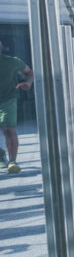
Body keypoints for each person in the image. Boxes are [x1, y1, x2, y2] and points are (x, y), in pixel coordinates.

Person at [0, 39, 33, 173]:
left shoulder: (13, 61)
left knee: (9, 129)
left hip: (8, 99)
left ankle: (12, 161)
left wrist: (28, 84)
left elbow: (29, 73)